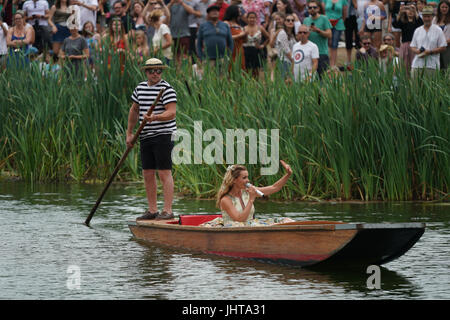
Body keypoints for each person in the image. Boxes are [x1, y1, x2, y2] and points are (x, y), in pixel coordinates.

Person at [128, 58, 177, 221]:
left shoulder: (167, 89)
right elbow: (134, 110)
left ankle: (168, 210)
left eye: (158, 71)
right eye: (151, 71)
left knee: (164, 172)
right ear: (146, 72)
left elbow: (171, 112)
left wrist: (155, 117)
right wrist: (129, 133)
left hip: (164, 134)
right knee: (148, 173)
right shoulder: (140, 88)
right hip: (145, 136)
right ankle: (152, 210)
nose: (155, 73)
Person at [216, 160, 293, 225]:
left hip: (251, 225)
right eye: (244, 178)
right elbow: (240, 219)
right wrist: (251, 199)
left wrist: (288, 175)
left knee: (286, 220)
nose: (248, 180)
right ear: (234, 180)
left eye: (247, 177)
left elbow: (274, 188)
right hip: (235, 229)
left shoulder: (248, 191)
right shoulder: (225, 200)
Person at [410, 5, 447, 77]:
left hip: (432, 65)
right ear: (422, 17)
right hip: (417, 64)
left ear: (432, 17)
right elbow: (412, 46)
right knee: (415, 87)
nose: (426, 18)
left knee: (430, 87)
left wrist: (430, 52)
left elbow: (443, 46)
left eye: (428, 16)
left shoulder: (438, 30)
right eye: (425, 16)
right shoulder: (418, 30)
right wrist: (417, 51)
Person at [303, 0, 332, 76]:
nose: (312, 9)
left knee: (323, 78)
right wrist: (306, 33)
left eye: (314, 7)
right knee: (309, 78)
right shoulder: (306, 20)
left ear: (318, 9)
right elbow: (302, 37)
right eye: (310, 7)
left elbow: (329, 35)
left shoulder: (324, 18)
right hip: (309, 53)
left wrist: (318, 30)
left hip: (321, 53)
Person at [167, 0, 199, 66]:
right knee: (176, 55)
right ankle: (178, 72)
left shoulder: (185, 3)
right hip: (173, 34)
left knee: (185, 55)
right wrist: (171, 3)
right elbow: (164, 12)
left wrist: (182, 3)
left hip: (184, 33)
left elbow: (191, 11)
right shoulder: (171, 5)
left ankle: (187, 71)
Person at [392, 4, 423, 72]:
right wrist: (400, 12)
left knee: (414, 65)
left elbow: (421, 24)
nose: (410, 12)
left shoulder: (417, 21)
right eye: (408, 10)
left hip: (415, 46)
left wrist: (415, 11)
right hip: (405, 45)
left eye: (412, 10)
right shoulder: (403, 21)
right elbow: (394, 24)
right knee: (404, 65)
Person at [243, 10, 269, 77]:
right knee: (247, 71)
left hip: (256, 50)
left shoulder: (260, 28)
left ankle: (256, 86)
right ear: (247, 19)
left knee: (256, 71)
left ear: (256, 19)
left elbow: (268, 37)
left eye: (253, 18)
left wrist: (263, 45)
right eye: (250, 18)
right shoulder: (244, 28)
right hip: (246, 50)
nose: (252, 19)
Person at [323, 0, 347, 67]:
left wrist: (342, 20)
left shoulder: (343, 1)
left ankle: (332, 65)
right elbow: (323, 11)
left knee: (334, 44)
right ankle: (325, 63)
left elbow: (345, 12)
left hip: (338, 22)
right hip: (327, 23)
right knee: (327, 43)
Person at [224, 4, 247, 70]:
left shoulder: (239, 25)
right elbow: (225, 38)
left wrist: (245, 35)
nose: (240, 14)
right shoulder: (226, 23)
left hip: (239, 50)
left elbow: (244, 41)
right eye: (239, 12)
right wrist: (240, 35)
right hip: (230, 50)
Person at [432, 0, 450, 70]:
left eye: (446, 7)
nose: (444, 9)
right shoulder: (435, 19)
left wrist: (445, 42)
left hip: (448, 48)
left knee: (447, 68)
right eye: (442, 7)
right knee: (438, 68)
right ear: (439, 8)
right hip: (437, 48)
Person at [344, 0, 360, 65]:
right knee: (348, 38)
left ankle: (359, 59)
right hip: (347, 17)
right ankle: (348, 60)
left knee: (358, 38)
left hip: (358, 16)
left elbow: (357, 6)